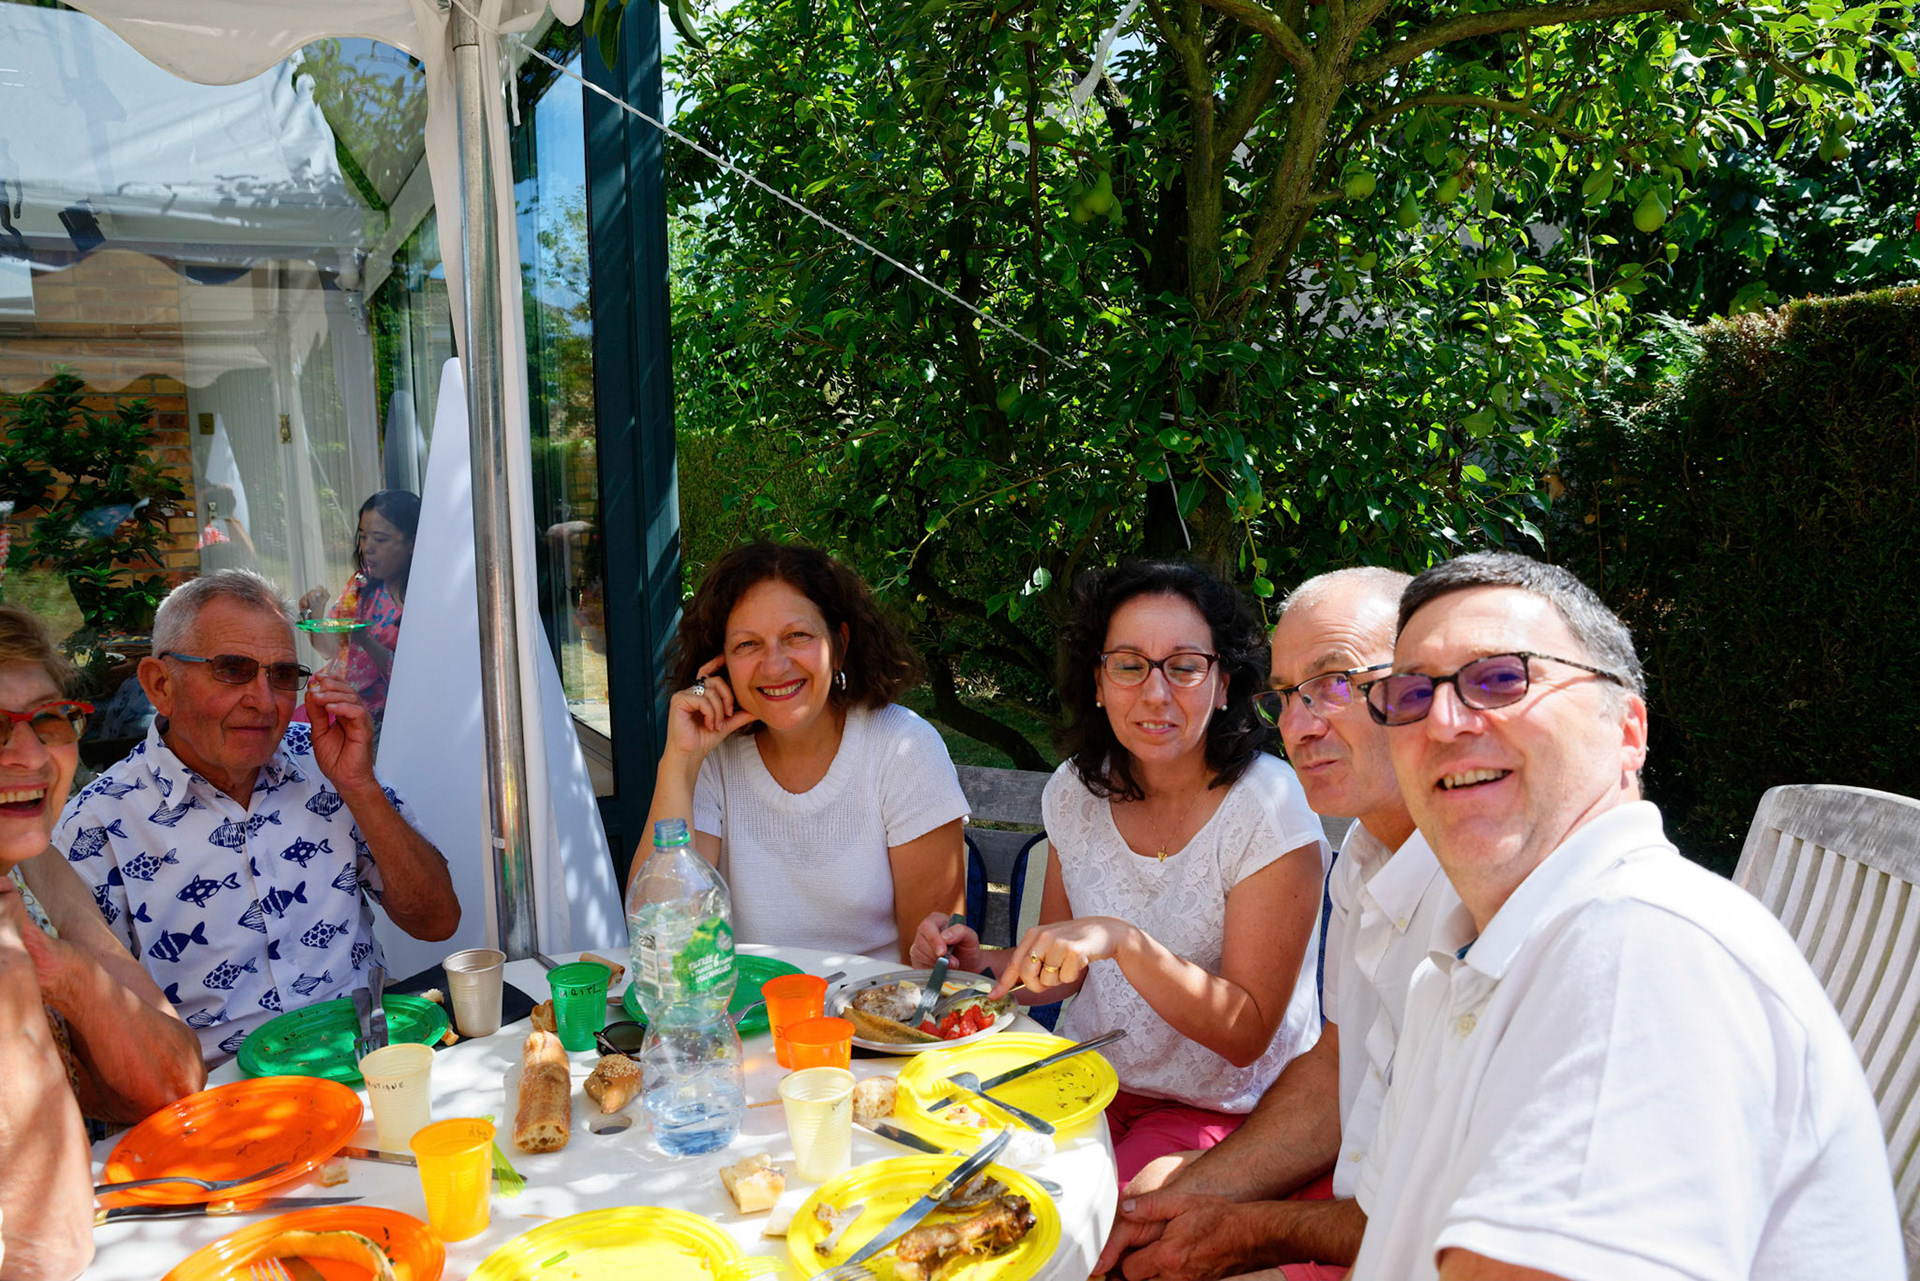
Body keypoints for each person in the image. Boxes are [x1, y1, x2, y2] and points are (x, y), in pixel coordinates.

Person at [1349, 552, 1900, 1280]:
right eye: (1412, 693)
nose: (1445, 722)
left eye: (1502, 678)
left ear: (1629, 732)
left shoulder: (1644, 945)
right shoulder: (1453, 970)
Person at [912, 560, 1329, 1186]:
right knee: (945, 1170)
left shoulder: (1267, 806)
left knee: (1073, 1210)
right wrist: (981, 966)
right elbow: (1061, 976)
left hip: (1224, 1111)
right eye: (1130, 666)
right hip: (1086, 1080)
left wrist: (1124, 942)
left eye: (1184, 667)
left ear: (1223, 685)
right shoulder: (1075, 792)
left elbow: (1246, 1034)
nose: (1156, 694)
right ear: (1099, 683)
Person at [1097, 567, 1460, 1281]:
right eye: (1288, 696)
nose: (1299, 725)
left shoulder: (1483, 887)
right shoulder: (1363, 857)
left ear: (1423, 688)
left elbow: (1448, 1216)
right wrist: (1195, 1189)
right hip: (1352, 1202)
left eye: (1335, 682)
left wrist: (1248, 1230)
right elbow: (1335, 1068)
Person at [57, 569, 461, 1064]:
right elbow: (93, 1038)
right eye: (233, 669)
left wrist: (360, 787)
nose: (265, 702)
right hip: (220, 1092)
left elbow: (437, 921)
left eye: (283, 676)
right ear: (160, 684)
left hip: (368, 1061)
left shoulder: (325, 764)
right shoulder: (97, 827)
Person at [0, 605, 206, 1280]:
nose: (32, 755)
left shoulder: (34, 865)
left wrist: (70, 975)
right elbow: (44, 1248)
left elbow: (176, 1080)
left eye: (48, 719)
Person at [638, 542, 968, 962]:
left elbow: (930, 966)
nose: (775, 666)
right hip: (745, 1004)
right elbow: (660, 937)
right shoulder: (711, 757)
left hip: (875, 1002)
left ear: (840, 645)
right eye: (747, 644)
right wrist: (680, 761)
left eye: (797, 636)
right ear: (720, 663)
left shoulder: (903, 749)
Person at [299, 490, 420, 721]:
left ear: (413, 543)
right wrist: (314, 615)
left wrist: (365, 639)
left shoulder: (421, 601)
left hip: (381, 718)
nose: (367, 548)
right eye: (363, 537)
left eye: (380, 539)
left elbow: (412, 679)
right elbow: (329, 650)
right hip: (336, 702)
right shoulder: (361, 585)